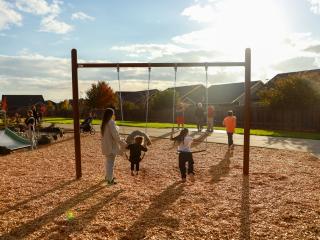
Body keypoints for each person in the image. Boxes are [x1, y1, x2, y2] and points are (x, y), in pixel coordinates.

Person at [101, 108, 121, 185]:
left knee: (108, 162)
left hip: (106, 145)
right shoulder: (111, 122)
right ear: (111, 114)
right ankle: (110, 180)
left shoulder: (103, 123)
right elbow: (115, 135)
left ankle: (108, 176)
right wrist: (122, 141)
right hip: (111, 146)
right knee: (111, 163)